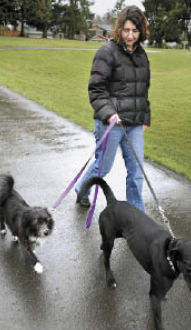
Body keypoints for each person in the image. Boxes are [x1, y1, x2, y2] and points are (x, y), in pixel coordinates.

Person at [75, 5, 150, 212]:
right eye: (126, 30)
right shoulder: (106, 52)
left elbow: (143, 91)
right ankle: (82, 189)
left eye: (135, 31)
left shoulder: (142, 56)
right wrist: (109, 113)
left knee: (136, 172)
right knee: (103, 167)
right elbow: (96, 89)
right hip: (110, 123)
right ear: (119, 29)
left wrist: (145, 118)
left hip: (134, 124)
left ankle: (136, 213)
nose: (130, 35)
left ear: (141, 31)